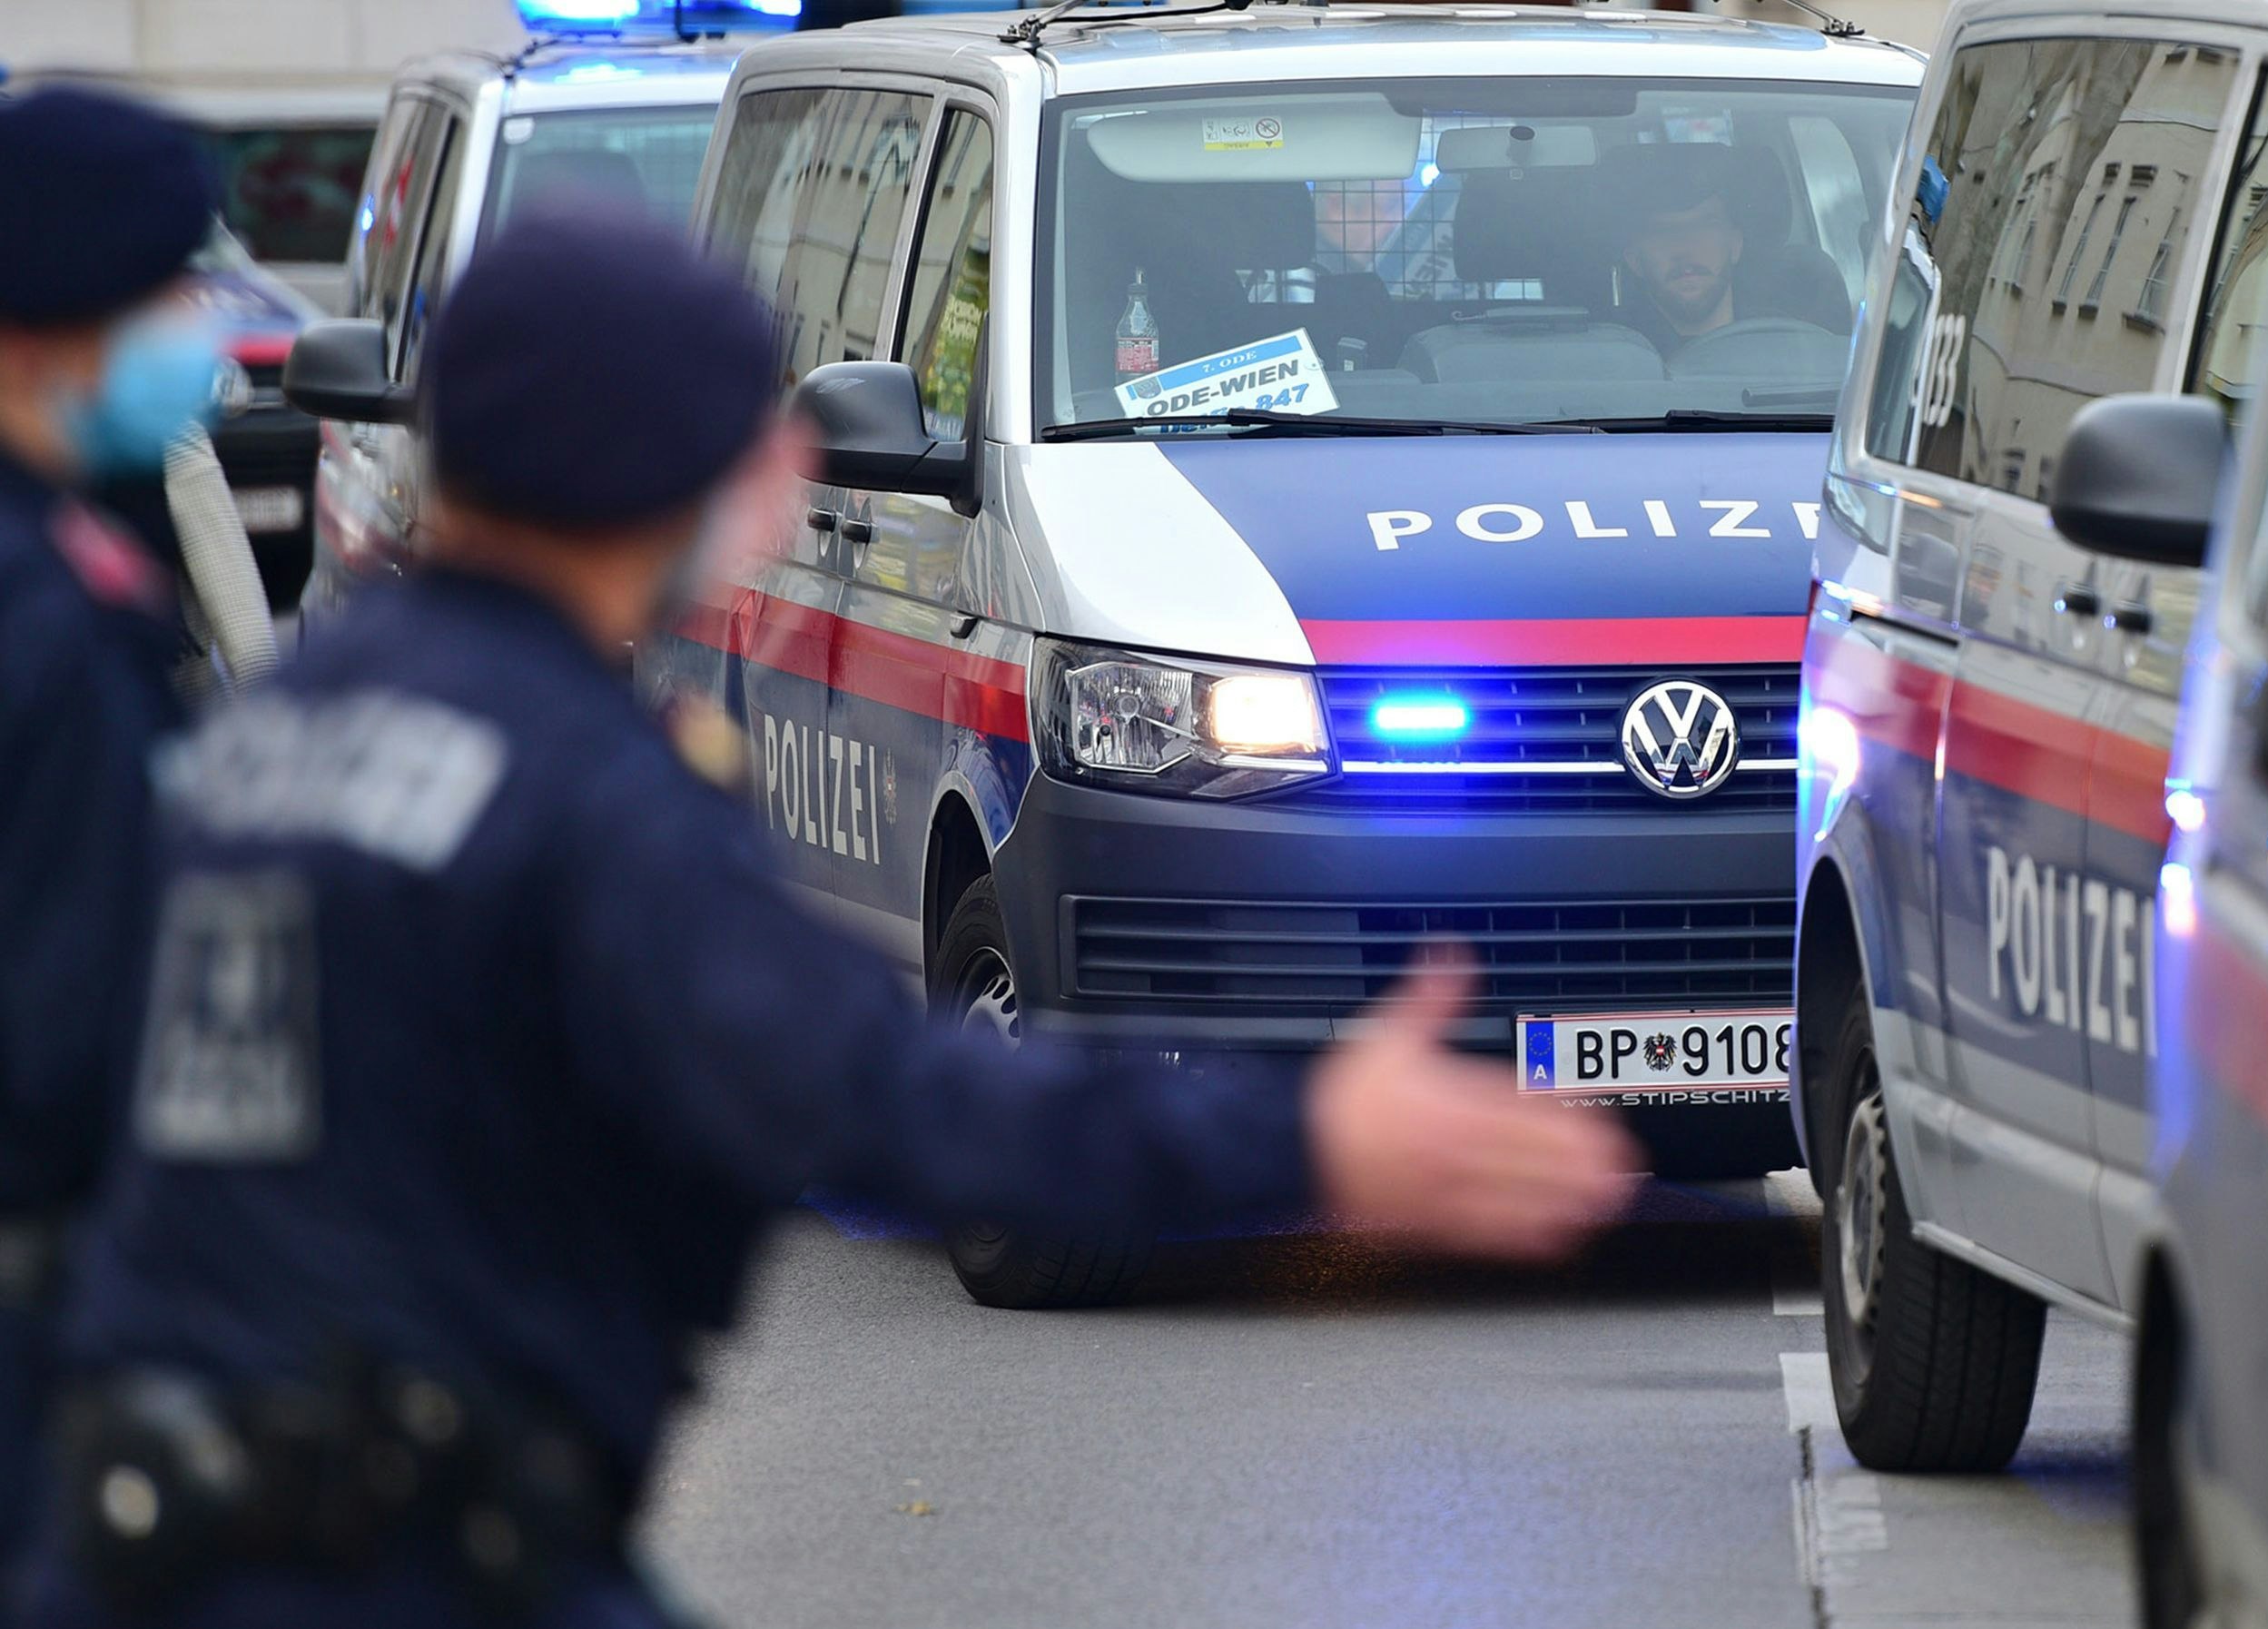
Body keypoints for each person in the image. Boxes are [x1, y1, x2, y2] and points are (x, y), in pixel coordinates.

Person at [13, 205, 1639, 1628]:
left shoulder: (289, 720)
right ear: (671, 471)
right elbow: (885, 1092)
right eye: (756, 437)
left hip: (154, 1524)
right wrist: (1306, 1140)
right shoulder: (578, 793)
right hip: (385, 1551)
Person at [0, 86, 222, 1598]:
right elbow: (73, 1025)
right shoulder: (41, 618)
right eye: (162, 292)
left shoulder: (69, 550)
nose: (196, 326)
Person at [1611, 144, 1750, 353]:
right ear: (1634, 260)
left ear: (1736, 244)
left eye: (1703, 228)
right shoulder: (1610, 356)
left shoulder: (1790, 346)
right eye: (1663, 233)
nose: (1685, 249)